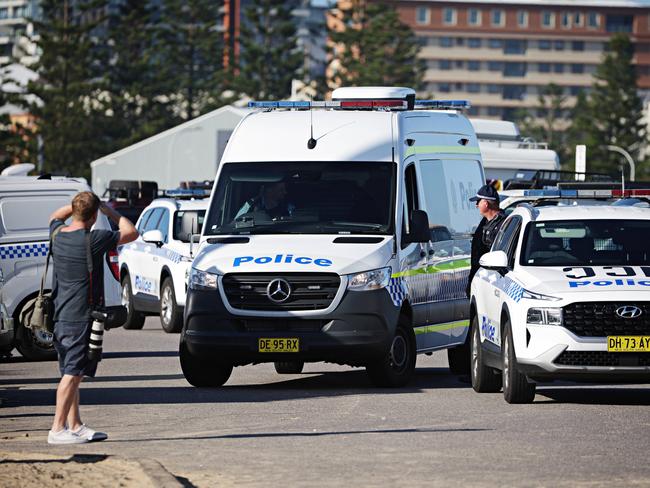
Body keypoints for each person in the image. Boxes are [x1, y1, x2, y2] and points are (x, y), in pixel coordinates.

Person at [47, 192, 138, 445]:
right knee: (73, 374)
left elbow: (55, 216)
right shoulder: (94, 239)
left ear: (75, 212)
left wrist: (78, 207)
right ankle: (57, 429)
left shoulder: (57, 234)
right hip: (80, 317)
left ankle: (74, 425)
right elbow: (131, 232)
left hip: (61, 315)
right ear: (94, 215)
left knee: (71, 371)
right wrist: (110, 211)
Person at [466, 184, 506, 298]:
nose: (476, 205)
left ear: (486, 203)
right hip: (481, 279)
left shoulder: (503, 226)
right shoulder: (485, 223)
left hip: (493, 281)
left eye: (478, 201)